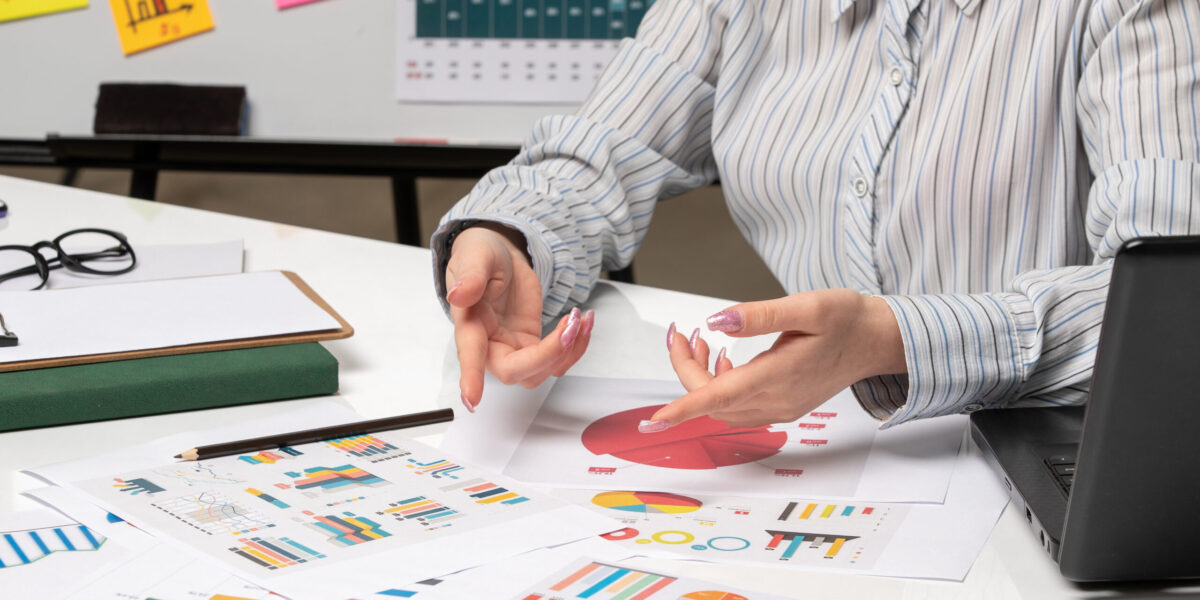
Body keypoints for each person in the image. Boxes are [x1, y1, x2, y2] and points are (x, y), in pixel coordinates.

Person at [432, 0, 1200, 432]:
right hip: (834, 461)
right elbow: (595, 155)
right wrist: (509, 241)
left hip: (1047, 454)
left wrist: (894, 342)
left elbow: (1173, 306)